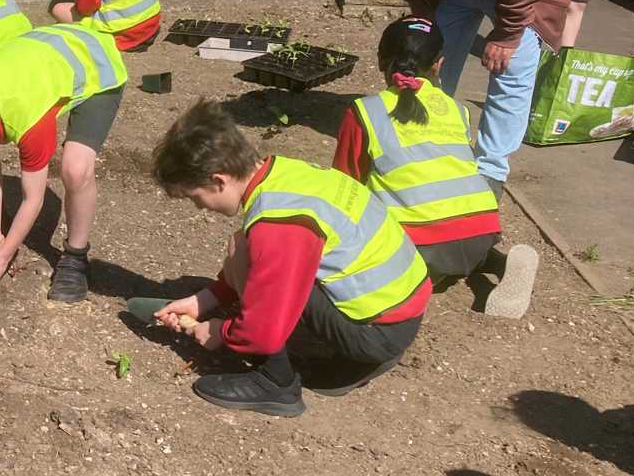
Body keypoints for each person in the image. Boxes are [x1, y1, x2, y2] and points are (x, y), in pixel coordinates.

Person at [150, 100, 430, 417]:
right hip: (399, 310)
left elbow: (262, 329)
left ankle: (275, 383)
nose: (199, 208)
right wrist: (205, 300)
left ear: (219, 180)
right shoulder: (283, 174)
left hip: (378, 331)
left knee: (246, 256)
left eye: (194, 197)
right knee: (245, 248)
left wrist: (220, 332)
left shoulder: (278, 224)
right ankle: (348, 362)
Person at [378, 0, 580, 196]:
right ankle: (430, 136)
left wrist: (508, 34)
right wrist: (423, 10)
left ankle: (490, 168)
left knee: (511, 69)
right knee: (433, 57)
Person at [332, 17, 538, 316]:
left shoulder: (365, 112)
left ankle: (415, 277)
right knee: (455, 239)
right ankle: (498, 262)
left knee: (366, 256)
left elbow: (345, 185)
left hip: (422, 244)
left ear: (380, 61)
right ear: (439, 64)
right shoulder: (457, 110)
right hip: (481, 230)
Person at [0, 23, 127, 303]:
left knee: (76, 169)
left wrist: (1, 259)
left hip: (97, 64)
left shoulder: (29, 119)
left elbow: (33, 200)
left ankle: (76, 257)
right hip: (46, 50)